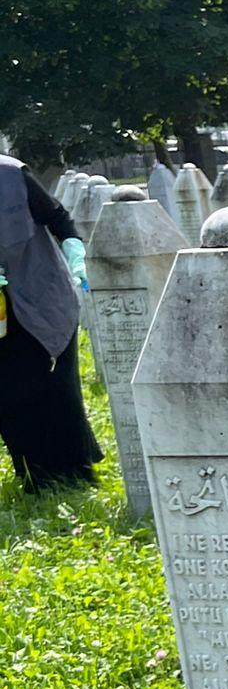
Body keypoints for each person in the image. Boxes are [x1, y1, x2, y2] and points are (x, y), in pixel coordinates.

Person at [0, 155, 101, 492]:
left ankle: (75, 471)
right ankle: (34, 474)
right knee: (10, 393)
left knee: (57, 387)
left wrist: (75, 255)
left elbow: (59, 218)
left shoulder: (11, 174)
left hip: (41, 294)